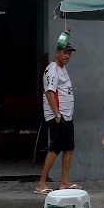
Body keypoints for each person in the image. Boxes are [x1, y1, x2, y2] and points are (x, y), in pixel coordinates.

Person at [35, 40, 81, 194]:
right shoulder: (53, 69)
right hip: (58, 116)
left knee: (68, 148)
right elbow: (49, 92)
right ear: (57, 53)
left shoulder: (62, 69)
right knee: (54, 148)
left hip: (66, 116)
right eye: (64, 53)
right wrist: (56, 114)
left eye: (69, 53)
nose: (67, 56)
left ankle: (64, 182)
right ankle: (41, 183)